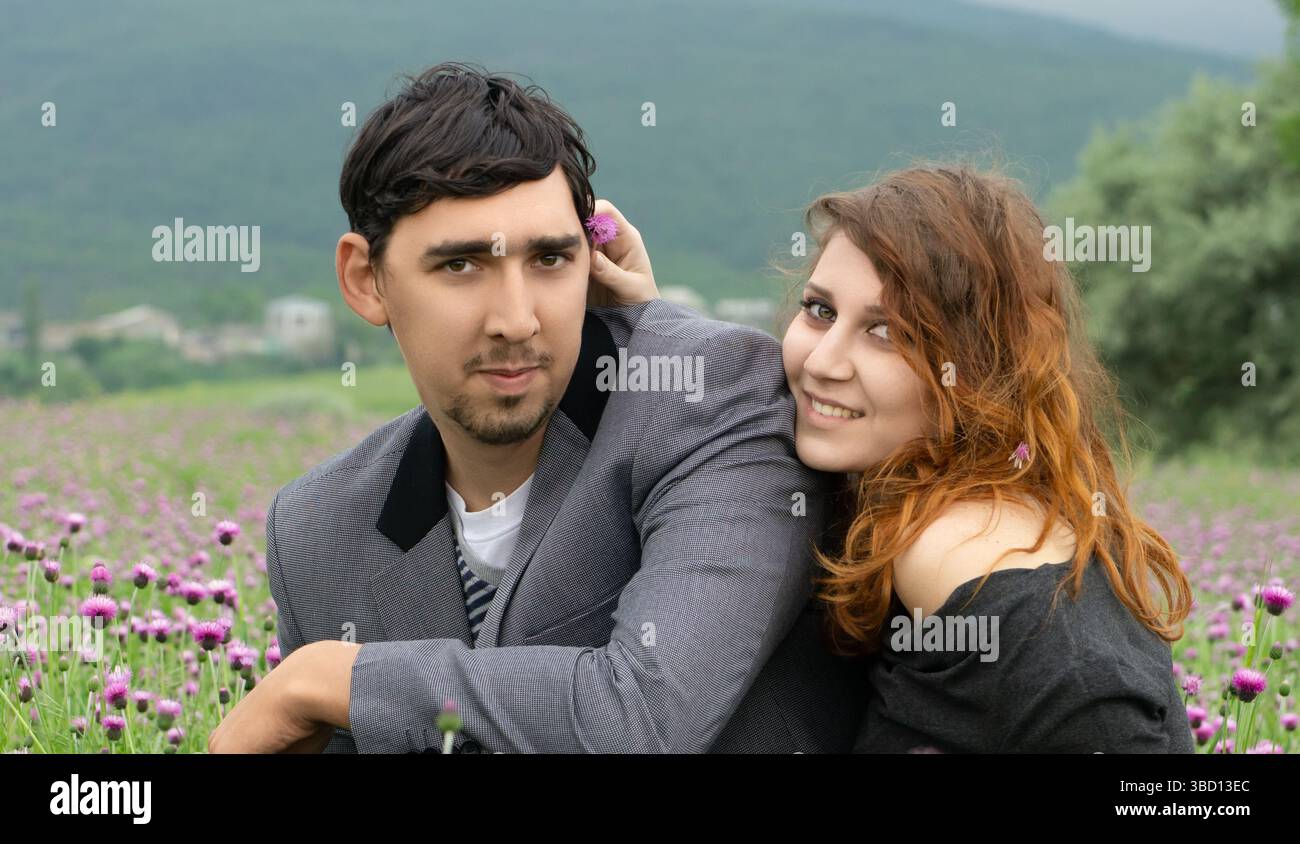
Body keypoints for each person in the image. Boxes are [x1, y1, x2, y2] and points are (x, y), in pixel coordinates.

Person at [208, 62, 866, 754]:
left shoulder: (709, 397)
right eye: (460, 266)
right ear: (365, 280)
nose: (517, 320)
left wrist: (333, 677)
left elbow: (644, 721)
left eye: (549, 260)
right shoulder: (318, 527)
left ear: (593, 258)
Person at [607, 164, 1197, 753]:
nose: (822, 363)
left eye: (886, 332)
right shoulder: (898, 502)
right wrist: (653, 322)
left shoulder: (988, 575)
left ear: (978, 369)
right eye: (820, 312)